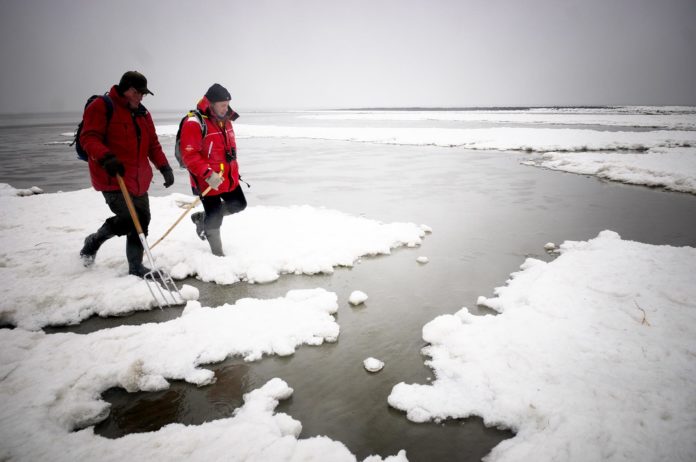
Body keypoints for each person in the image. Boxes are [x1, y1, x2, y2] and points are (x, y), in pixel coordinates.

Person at [79, 70, 175, 276]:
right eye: (139, 93)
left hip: (139, 179)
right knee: (130, 219)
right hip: (113, 177)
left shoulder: (143, 113)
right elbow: (89, 138)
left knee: (142, 221)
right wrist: (106, 157)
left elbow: (153, 145)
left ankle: (136, 267)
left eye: (144, 94)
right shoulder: (102, 107)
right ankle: (93, 242)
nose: (142, 97)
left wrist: (164, 167)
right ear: (129, 90)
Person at [179, 83, 246, 256]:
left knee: (239, 204)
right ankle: (218, 256)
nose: (226, 108)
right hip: (207, 180)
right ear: (211, 103)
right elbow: (189, 155)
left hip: (227, 176)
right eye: (223, 105)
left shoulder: (226, 120)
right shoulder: (194, 122)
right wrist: (208, 174)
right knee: (215, 217)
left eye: (227, 104)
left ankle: (203, 218)